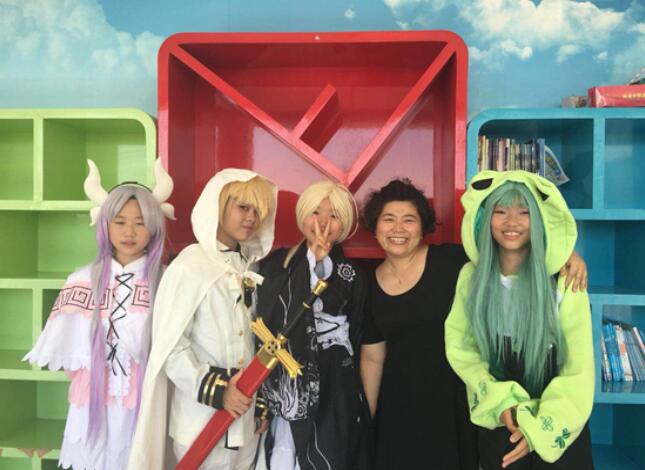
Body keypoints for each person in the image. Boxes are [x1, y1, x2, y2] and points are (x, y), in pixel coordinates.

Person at [359, 177, 588, 470]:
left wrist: (567, 254)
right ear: (375, 225)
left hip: (456, 401)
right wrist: (366, 419)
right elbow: (373, 357)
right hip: (411, 401)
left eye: (409, 219)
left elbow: (511, 244)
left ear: (422, 226)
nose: (398, 229)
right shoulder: (369, 283)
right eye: (389, 219)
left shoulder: (452, 260)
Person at [24, 159, 174, 470]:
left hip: (146, 403)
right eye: (120, 222)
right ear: (105, 225)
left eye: (140, 222)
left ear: (154, 226)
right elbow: (69, 353)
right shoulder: (80, 281)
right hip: (92, 404)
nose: (129, 232)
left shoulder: (168, 282)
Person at [127, 169, 277, 470]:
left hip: (245, 423)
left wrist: (259, 402)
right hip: (200, 422)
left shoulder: (251, 268)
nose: (251, 217)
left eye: (258, 211)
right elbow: (171, 349)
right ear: (218, 206)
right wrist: (220, 392)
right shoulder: (188, 267)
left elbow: (254, 342)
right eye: (243, 207)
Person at [445, 170, 594, 469]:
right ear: (485, 218)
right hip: (502, 420)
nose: (511, 222)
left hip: (557, 426)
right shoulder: (471, 277)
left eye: (524, 212)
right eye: (500, 211)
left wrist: (539, 431)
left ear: (539, 219)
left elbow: (579, 370)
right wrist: (503, 404)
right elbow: (462, 350)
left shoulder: (565, 280)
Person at [257, 180, 372, 470]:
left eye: (334, 216)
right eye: (315, 212)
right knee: (286, 453)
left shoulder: (352, 274)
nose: (322, 223)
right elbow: (266, 316)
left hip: (336, 381)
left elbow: (359, 332)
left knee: (330, 453)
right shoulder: (278, 264)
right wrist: (312, 263)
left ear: (345, 223)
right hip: (290, 379)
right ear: (302, 215)